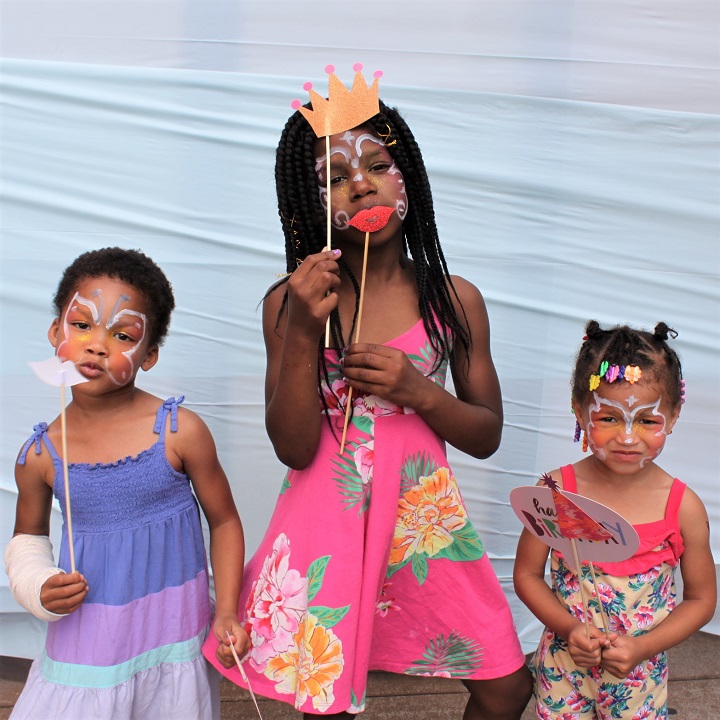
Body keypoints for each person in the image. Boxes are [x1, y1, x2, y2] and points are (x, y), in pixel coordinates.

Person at [202, 92, 532, 719]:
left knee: (505, 686)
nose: (361, 186)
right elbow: (294, 447)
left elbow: (486, 434)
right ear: (308, 202)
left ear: (409, 176)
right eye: (334, 177)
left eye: (377, 165)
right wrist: (303, 330)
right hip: (326, 520)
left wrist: (418, 392)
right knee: (325, 694)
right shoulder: (291, 301)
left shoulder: (454, 299)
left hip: (422, 521)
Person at [5, 247, 250, 719]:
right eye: (82, 325)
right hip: (88, 645)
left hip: (172, 635)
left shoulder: (181, 432)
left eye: (122, 335)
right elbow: (27, 542)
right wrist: (38, 585)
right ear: (56, 331)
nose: (98, 345)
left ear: (150, 355)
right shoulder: (40, 456)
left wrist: (227, 611)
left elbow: (224, 521)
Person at [513, 320, 716, 719]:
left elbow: (701, 599)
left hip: (639, 672)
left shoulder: (682, 506)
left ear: (673, 417)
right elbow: (527, 575)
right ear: (579, 411)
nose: (627, 437)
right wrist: (569, 629)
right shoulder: (556, 492)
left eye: (647, 420)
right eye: (608, 418)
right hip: (564, 667)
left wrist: (643, 647)